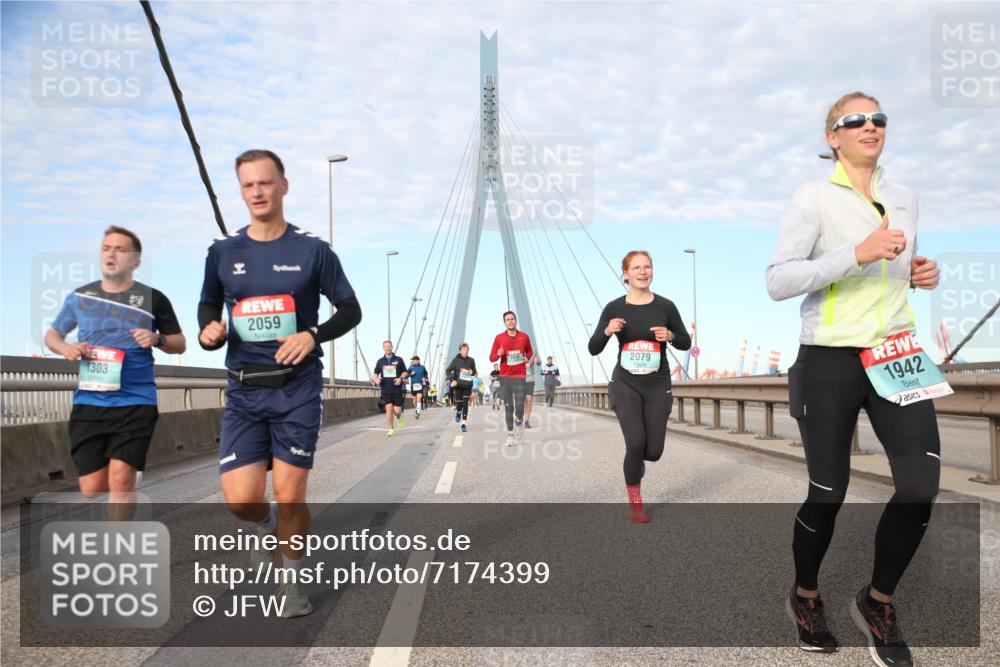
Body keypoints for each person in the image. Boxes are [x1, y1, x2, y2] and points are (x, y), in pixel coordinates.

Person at [766, 92, 942, 666]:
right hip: (829, 358)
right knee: (828, 493)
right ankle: (806, 595)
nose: (871, 126)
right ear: (832, 136)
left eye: (879, 118)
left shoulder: (906, 197)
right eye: (855, 120)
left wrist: (920, 273)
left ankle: (877, 601)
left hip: (897, 350)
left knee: (919, 490)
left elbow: (898, 270)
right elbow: (779, 279)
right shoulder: (812, 198)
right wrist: (857, 253)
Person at [198, 149, 361, 618]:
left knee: (292, 495)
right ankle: (264, 523)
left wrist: (312, 334)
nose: (257, 192)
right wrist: (210, 331)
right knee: (241, 502)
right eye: (248, 185)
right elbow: (208, 306)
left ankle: (290, 587)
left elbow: (351, 310)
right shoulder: (223, 252)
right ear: (240, 190)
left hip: (297, 389)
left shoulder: (313, 251)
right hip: (245, 391)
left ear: (284, 186)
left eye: (265, 183)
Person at [46, 226, 186, 501]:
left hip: (136, 401)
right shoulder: (80, 297)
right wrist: (66, 348)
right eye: (106, 248)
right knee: (92, 489)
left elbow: (179, 343)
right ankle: (128, 472)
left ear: (135, 262)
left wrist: (157, 339)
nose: (111, 254)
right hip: (90, 402)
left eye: (120, 250)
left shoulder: (153, 299)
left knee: (120, 480)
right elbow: (53, 335)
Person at [588, 250, 690, 524]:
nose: (643, 272)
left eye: (647, 267)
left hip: (657, 383)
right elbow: (593, 348)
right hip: (625, 383)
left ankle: (638, 463)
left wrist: (670, 335)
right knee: (635, 443)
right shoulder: (614, 308)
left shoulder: (665, 306)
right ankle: (636, 503)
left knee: (653, 451)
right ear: (625, 274)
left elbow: (685, 342)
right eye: (636, 268)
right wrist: (608, 331)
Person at [489, 311, 534, 446]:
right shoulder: (499, 338)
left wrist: (527, 357)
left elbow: (530, 351)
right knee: (509, 408)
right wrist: (498, 353)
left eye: (512, 319)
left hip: (520, 377)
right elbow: (491, 358)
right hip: (505, 378)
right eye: (507, 320)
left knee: (520, 407)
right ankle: (510, 435)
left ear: (516, 320)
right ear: (504, 323)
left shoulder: (524, 337)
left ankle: (519, 421)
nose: (510, 321)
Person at [373, 340, 408, 436]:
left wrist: (400, 378)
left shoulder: (399, 359)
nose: (387, 348)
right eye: (385, 346)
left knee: (397, 411)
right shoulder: (380, 361)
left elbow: (405, 372)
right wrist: (376, 379)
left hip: (397, 389)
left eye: (389, 346)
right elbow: (376, 373)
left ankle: (399, 417)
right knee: (389, 409)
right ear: (383, 348)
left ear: (392, 347)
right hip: (385, 389)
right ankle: (391, 429)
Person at [445, 343, 477, 432]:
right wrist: (452, 380)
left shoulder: (471, 360)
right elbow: (447, 370)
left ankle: (463, 423)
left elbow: (475, 371)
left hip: (467, 385)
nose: (466, 351)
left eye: (467, 349)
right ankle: (458, 412)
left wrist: (472, 372)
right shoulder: (455, 360)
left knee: (465, 403)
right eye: (464, 349)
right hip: (458, 386)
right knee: (459, 405)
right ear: (460, 350)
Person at [522, 355, 542, 427]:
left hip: (530, 380)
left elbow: (540, 362)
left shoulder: (532, 354)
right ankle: (519, 416)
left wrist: (537, 361)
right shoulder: (518, 350)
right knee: (520, 401)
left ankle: (526, 421)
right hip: (519, 380)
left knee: (529, 399)